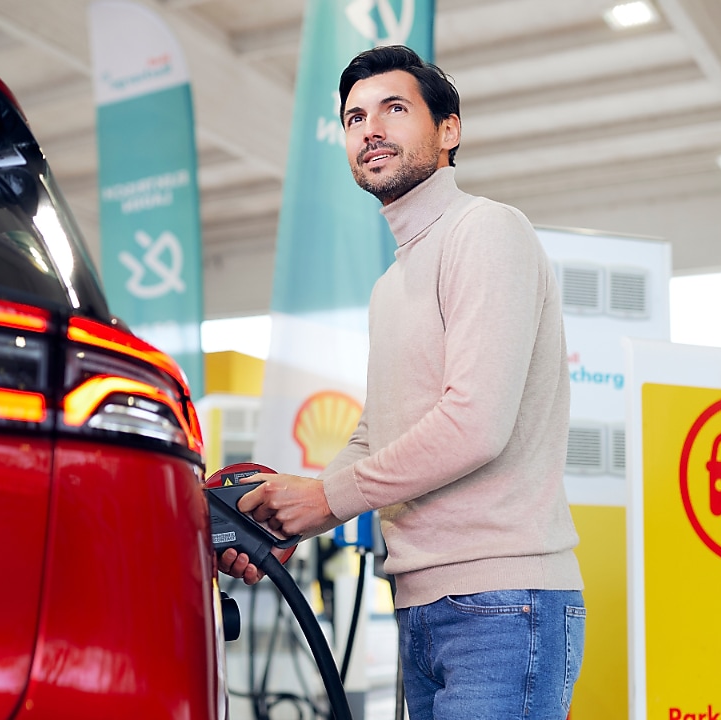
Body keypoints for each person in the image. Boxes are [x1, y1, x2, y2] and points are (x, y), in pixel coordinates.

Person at [219, 45, 584, 720]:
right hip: (423, 604)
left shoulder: (486, 231)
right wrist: (290, 514)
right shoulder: (390, 285)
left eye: (393, 108)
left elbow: (475, 423)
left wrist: (326, 499)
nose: (371, 130)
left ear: (449, 130)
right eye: (355, 118)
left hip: (503, 604)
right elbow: (376, 431)